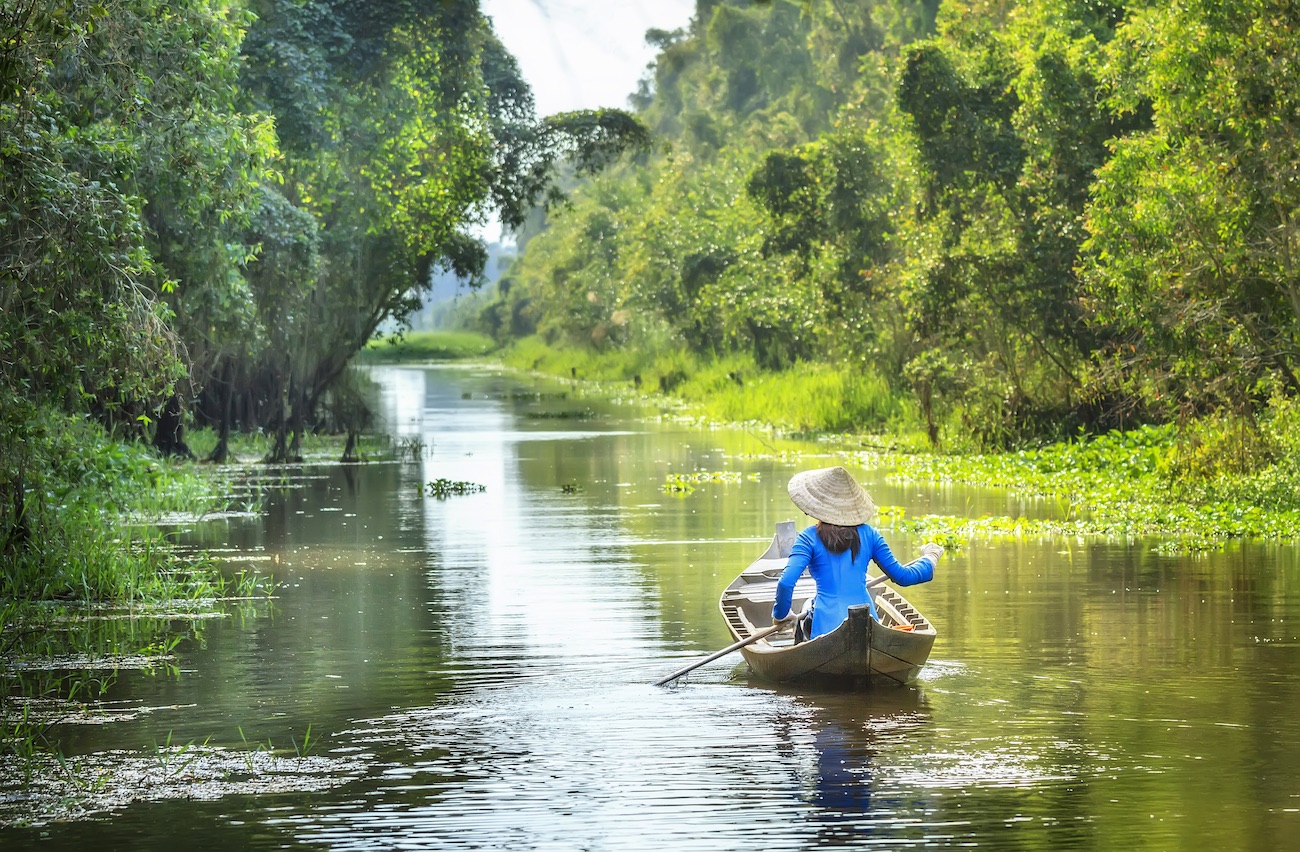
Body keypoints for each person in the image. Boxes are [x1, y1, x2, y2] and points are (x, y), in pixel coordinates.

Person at [772, 466, 944, 640]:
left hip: (826, 630)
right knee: (811, 606)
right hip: (868, 626)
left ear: (817, 505)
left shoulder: (808, 538)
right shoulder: (870, 534)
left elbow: (786, 583)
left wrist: (781, 616)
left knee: (807, 608)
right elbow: (903, 576)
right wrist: (930, 558)